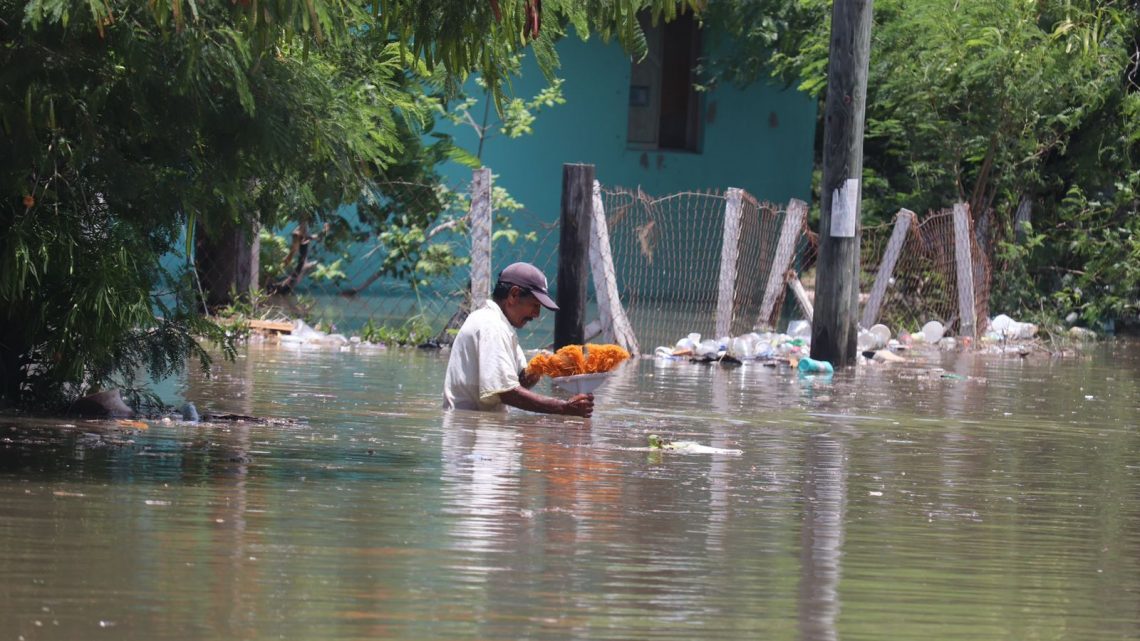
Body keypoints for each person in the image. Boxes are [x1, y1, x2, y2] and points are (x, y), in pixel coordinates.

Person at [443, 262, 594, 417]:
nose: (536, 314)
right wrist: (564, 407)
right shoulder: (492, 326)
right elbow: (507, 392)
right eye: (535, 305)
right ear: (513, 295)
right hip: (468, 425)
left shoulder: (500, 324)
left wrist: (540, 366)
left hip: (480, 422)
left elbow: (517, 382)